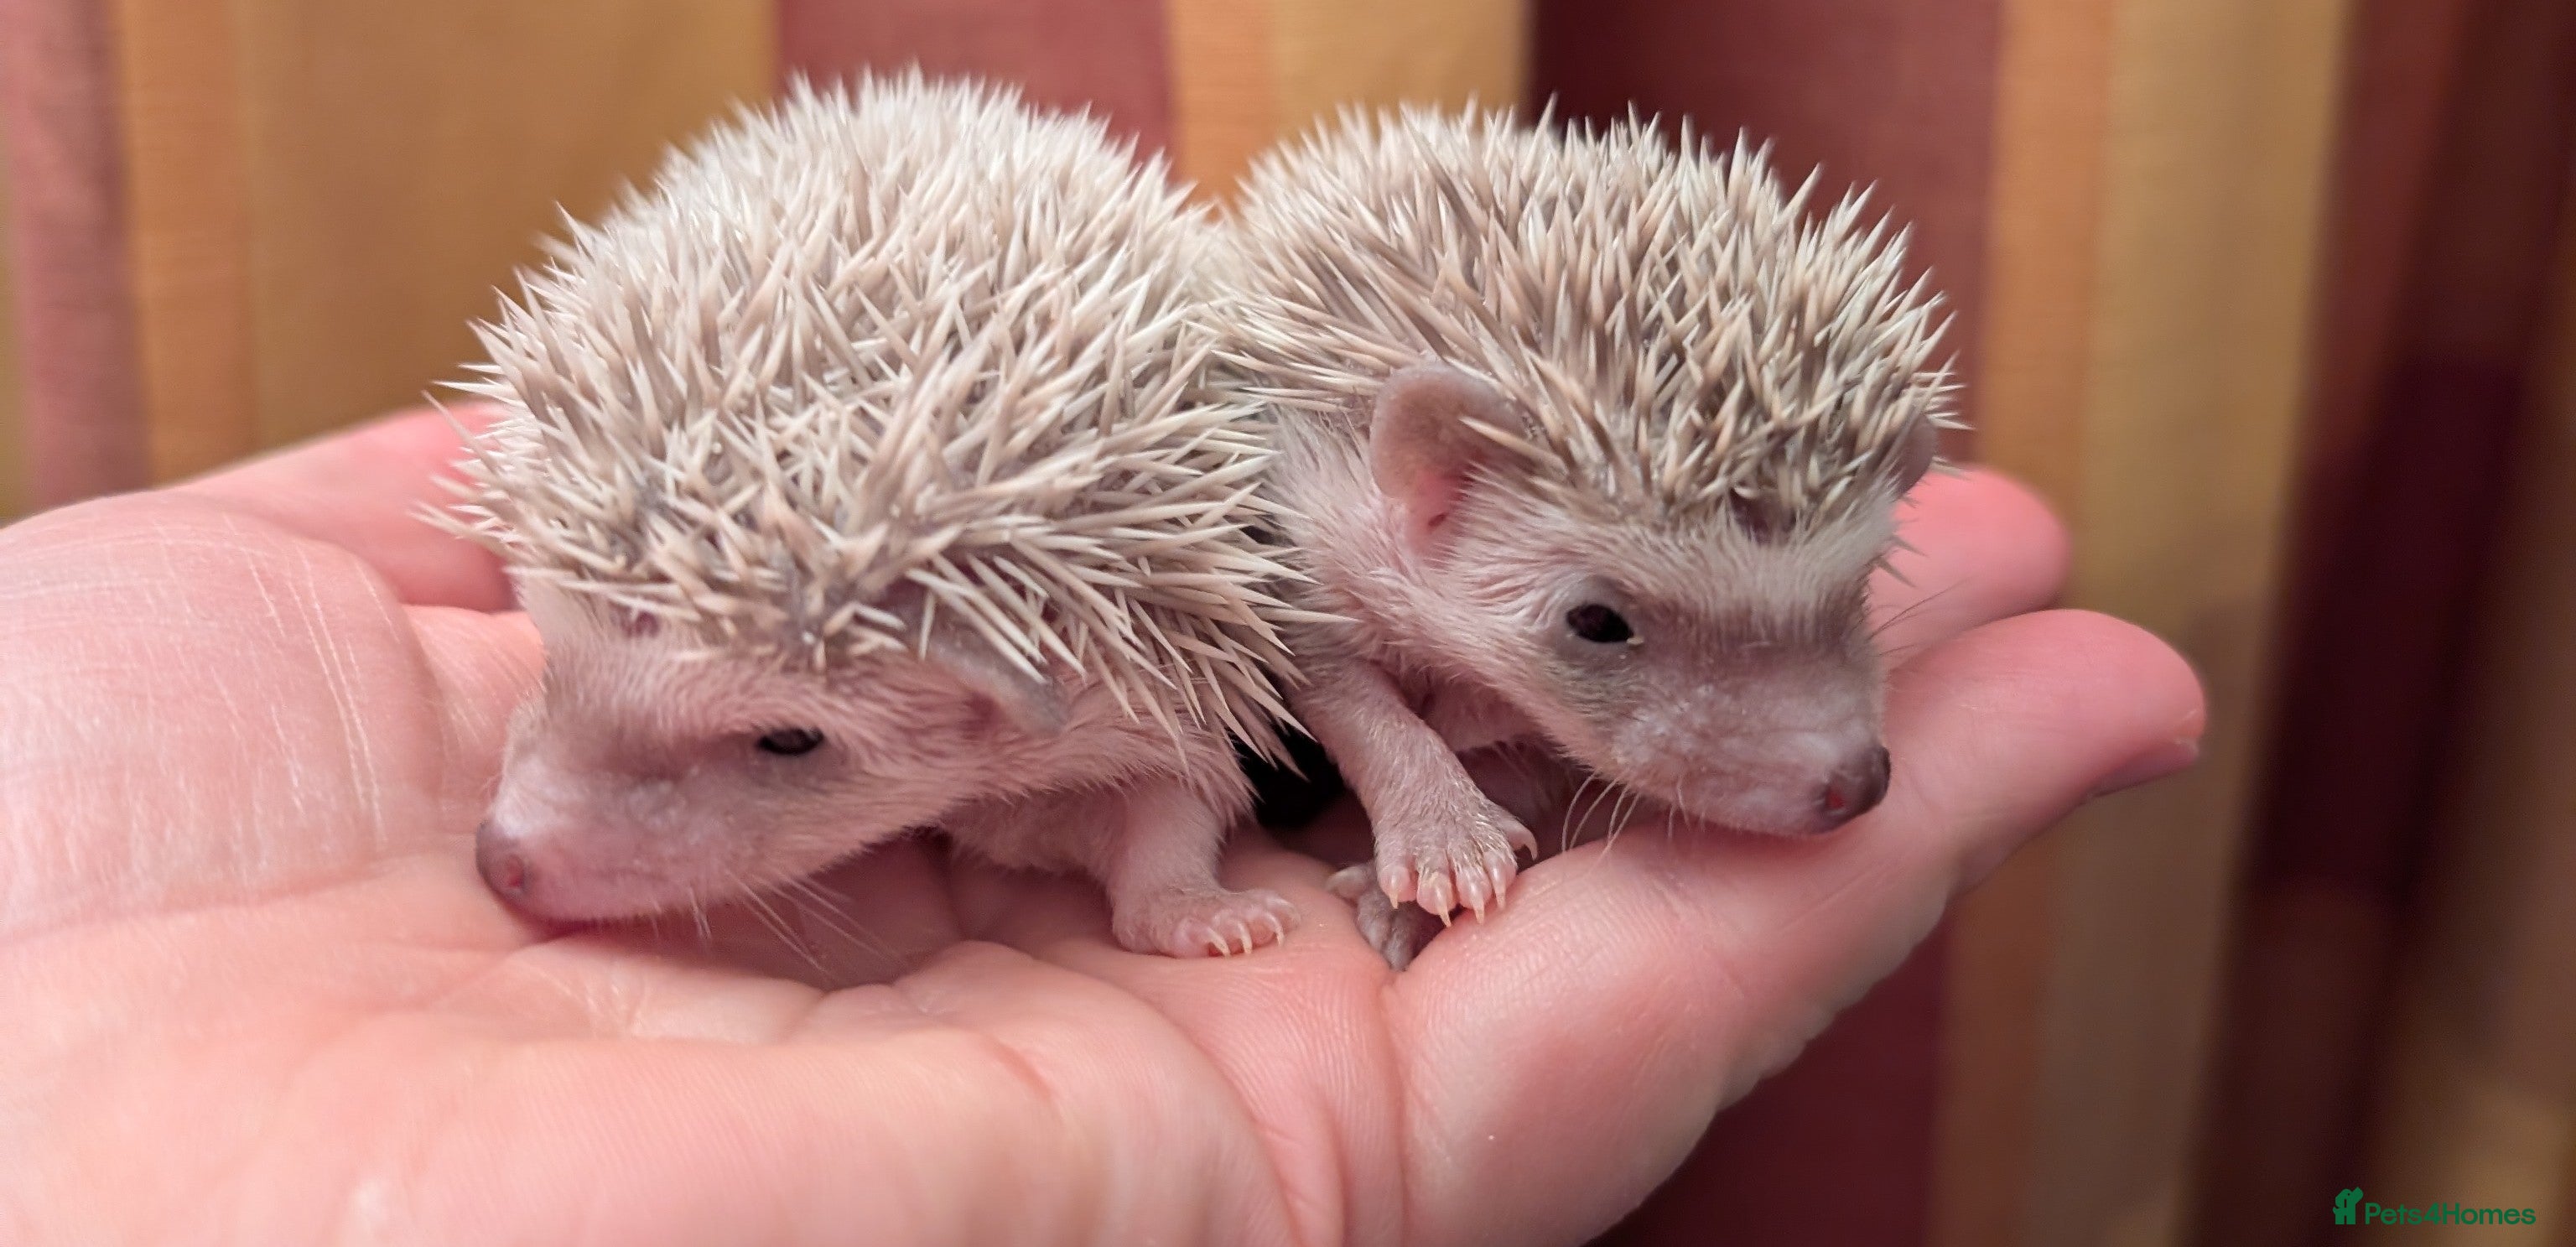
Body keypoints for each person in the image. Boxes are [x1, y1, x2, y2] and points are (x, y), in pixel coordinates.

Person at [0, 408, 2202, 1245]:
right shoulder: (1271, 590)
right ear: (1430, 499)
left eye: (778, 752)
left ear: (1017, 710)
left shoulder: (1148, 671)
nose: (529, 855)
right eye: (1612, 623)